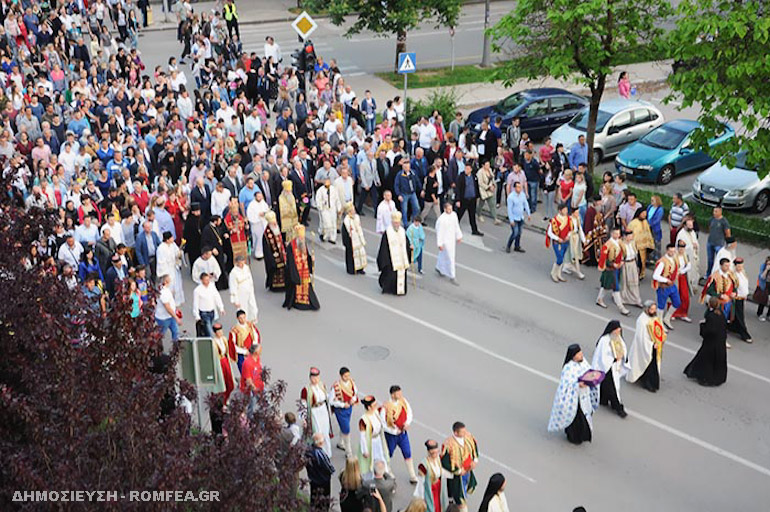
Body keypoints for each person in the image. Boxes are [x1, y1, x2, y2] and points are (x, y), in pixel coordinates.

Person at [547, 344, 599, 444]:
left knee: (584, 417)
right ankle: (573, 436)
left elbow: (589, 371)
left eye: (581, 353)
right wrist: (578, 385)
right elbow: (566, 385)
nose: (581, 355)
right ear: (573, 356)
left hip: (584, 396)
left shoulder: (583, 362)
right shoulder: (568, 368)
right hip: (574, 399)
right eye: (579, 354)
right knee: (575, 419)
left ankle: (582, 435)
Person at [684, 296, 728, 386]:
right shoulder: (722, 314)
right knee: (718, 360)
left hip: (711, 343)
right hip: (720, 342)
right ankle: (718, 378)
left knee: (706, 360)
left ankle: (705, 378)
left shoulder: (710, 316)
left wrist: (702, 326)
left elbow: (709, 330)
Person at [626, 301, 666, 392]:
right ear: (647, 309)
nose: (654, 311)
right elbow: (641, 337)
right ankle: (647, 383)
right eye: (652, 309)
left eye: (654, 309)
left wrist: (660, 339)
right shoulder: (642, 320)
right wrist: (651, 344)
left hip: (654, 345)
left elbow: (658, 328)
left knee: (652, 365)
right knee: (647, 364)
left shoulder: (654, 317)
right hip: (646, 346)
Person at [591, 320, 628, 418]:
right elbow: (603, 356)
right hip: (607, 368)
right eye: (616, 329)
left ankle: (603, 400)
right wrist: (614, 359)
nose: (618, 331)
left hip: (614, 367)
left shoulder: (618, 338)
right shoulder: (604, 340)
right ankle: (618, 407)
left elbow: (623, 348)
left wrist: (622, 356)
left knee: (606, 385)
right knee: (613, 389)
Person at [381, 385, 417, 484]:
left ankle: (412, 475)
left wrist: (407, 423)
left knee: (407, 452)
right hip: (391, 435)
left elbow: (409, 413)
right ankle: (387, 470)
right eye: (398, 393)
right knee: (389, 453)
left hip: (403, 433)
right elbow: (383, 423)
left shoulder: (403, 402)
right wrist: (393, 431)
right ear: (392, 394)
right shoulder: (386, 407)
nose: (400, 395)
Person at [440, 421, 479, 510]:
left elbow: (474, 448)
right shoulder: (448, 444)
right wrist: (458, 471)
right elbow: (445, 462)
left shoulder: (468, 437)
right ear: (456, 433)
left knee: (464, 489)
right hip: (457, 475)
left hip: (467, 471)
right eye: (462, 432)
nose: (465, 433)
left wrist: (475, 460)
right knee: (460, 498)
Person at [283, 225, 320, 310]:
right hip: (296, 271)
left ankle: (307, 302)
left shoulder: (303, 243)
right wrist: (294, 275)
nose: (302, 238)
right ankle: (296, 302)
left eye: (303, 237)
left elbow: (306, 255)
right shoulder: (290, 247)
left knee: (307, 286)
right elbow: (290, 263)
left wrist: (311, 259)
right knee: (296, 288)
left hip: (305, 270)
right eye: (301, 237)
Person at [595, 227, 630, 315]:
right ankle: (621, 307)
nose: (618, 235)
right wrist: (611, 264)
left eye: (618, 233)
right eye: (616, 233)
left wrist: (622, 261)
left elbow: (623, 253)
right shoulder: (607, 245)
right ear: (612, 234)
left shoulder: (619, 242)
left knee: (606, 284)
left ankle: (599, 299)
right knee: (616, 287)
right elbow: (603, 258)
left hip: (618, 267)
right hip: (610, 268)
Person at [377, 211, 412, 295]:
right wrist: (385, 260)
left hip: (401, 258)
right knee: (390, 274)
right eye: (395, 223)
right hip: (391, 258)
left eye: (398, 223)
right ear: (392, 222)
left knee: (400, 274)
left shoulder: (402, 231)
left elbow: (406, 243)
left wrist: (410, 248)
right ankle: (388, 289)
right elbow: (384, 247)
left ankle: (399, 290)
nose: (397, 225)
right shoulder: (388, 233)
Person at [302, 367, 335, 458]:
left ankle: (327, 453)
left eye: (317, 377)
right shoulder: (306, 390)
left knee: (325, 431)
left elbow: (326, 398)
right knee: (317, 432)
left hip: (323, 410)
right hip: (314, 412)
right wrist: (304, 418)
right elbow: (303, 405)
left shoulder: (322, 385)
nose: (315, 379)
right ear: (310, 378)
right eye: (313, 377)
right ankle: (319, 454)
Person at [358, 396, 392, 479]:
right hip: (370, 443)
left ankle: (384, 475)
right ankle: (370, 479)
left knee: (381, 458)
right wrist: (365, 450)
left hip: (378, 441)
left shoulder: (375, 413)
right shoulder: (364, 420)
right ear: (369, 407)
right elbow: (362, 437)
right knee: (370, 462)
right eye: (374, 405)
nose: (376, 406)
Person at [330, 367, 360, 456]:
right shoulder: (336, 387)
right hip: (340, 410)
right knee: (346, 429)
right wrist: (343, 405)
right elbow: (331, 401)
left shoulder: (351, 382)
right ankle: (348, 451)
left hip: (349, 408)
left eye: (348, 375)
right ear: (341, 376)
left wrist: (353, 399)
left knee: (344, 426)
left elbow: (355, 393)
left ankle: (340, 442)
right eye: (345, 376)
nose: (347, 377)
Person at [652, 244, 682, 331]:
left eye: (673, 251)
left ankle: (667, 318)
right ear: (667, 251)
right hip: (663, 287)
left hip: (672, 285)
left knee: (677, 302)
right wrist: (665, 280)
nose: (672, 253)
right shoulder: (662, 262)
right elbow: (655, 276)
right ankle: (659, 322)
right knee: (661, 305)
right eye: (671, 251)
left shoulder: (675, 259)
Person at [414, 440, 448, 512]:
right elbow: (420, 483)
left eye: (436, 452)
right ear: (429, 452)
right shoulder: (423, 465)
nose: (435, 455)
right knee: (431, 506)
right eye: (433, 453)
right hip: (430, 489)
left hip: (439, 487)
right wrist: (421, 497)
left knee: (441, 504)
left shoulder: (438, 458)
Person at [306, 432, 336, 512]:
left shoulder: (309, 451)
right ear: (320, 442)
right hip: (323, 481)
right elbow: (328, 467)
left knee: (314, 498)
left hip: (313, 479)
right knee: (323, 502)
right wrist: (332, 471)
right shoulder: (320, 454)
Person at [435, 202, 463, 285]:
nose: (450, 210)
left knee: (443, 255)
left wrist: (459, 236)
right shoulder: (442, 219)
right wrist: (440, 243)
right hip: (445, 241)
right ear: (445, 209)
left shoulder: (454, 215)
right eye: (448, 209)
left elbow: (456, 226)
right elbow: (439, 231)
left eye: (451, 209)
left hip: (451, 239)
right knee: (451, 258)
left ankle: (439, 267)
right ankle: (452, 276)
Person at [192, 272, 225, 337]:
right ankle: (212, 343)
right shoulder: (197, 290)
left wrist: (221, 308)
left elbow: (217, 297)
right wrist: (197, 315)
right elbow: (196, 303)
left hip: (212, 312)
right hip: (204, 313)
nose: (208, 281)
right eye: (206, 280)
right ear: (202, 280)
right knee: (209, 331)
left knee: (210, 328)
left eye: (208, 279)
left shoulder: (212, 286)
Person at [546, 203, 572, 283]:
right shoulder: (554, 220)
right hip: (557, 243)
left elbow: (571, 230)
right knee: (560, 258)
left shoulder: (568, 219)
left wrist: (568, 235)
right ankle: (553, 273)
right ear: (560, 211)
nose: (566, 211)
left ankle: (558, 273)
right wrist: (557, 238)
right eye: (564, 210)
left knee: (562, 257)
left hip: (565, 242)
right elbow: (550, 233)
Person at [157, 231, 185, 305]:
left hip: (173, 267)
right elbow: (161, 262)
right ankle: (168, 301)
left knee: (176, 284)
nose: (173, 238)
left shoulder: (173, 244)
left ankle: (176, 301)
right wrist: (165, 274)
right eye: (171, 237)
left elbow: (176, 252)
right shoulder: (161, 248)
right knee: (169, 285)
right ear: (167, 240)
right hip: (167, 269)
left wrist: (179, 254)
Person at [454, 164, 483, 236]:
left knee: (472, 216)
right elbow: (458, 189)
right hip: (464, 199)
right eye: (465, 168)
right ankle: (453, 228)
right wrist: (458, 200)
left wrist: (477, 195)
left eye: (468, 169)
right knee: (459, 215)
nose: (466, 170)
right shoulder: (461, 177)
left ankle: (474, 230)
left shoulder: (474, 176)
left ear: (471, 169)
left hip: (472, 199)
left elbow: (476, 186)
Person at [229, 256, 259, 323]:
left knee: (253, 307)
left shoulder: (246, 267)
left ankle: (252, 321)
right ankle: (243, 323)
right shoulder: (233, 273)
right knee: (243, 308)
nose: (242, 264)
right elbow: (233, 286)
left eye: (243, 262)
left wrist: (252, 288)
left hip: (249, 290)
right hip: (241, 293)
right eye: (240, 262)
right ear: (237, 263)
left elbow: (250, 278)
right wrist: (235, 300)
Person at [229, 309, 261, 373]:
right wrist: (244, 351)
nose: (243, 320)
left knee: (255, 370)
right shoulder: (235, 330)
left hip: (252, 351)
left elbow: (255, 336)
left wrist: (253, 348)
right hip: (242, 353)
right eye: (240, 318)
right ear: (237, 318)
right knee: (245, 371)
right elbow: (233, 344)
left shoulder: (250, 325)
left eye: (244, 317)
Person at [262, 211, 287, 292]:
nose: (275, 224)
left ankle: (283, 285)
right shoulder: (266, 234)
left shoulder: (277, 228)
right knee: (275, 270)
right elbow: (267, 250)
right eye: (273, 223)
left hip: (281, 253)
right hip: (273, 256)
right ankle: (275, 286)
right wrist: (271, 260)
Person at [730, 258, 753, 343]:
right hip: (737, 298)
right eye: (738, 266)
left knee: (737, 315)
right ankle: (744, 334)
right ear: (735, 266)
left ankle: (733, 327)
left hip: (742, 297)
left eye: (741, 265)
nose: (740, 267)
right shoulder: (733, 275)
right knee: (740, 316)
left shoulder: (743, 273)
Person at [212, 323, 236, 404]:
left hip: (225, 361)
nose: (221, 333)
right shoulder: (213, 342)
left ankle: (227, 398)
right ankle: (223, 400)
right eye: (219, 332)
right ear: (215, 333)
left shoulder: (224, 339)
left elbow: (229, 348)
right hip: (219, 363)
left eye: (221, 331)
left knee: (230, 381)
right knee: (222, 382)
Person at [705, 207, 731, 281]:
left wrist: (727, 242)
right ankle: (708, 274)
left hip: (719, 244)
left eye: (716, 211)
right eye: (714, 211)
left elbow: (727, 232)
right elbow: (709, 227)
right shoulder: (711, 219)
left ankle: (718, 276)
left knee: (719, 261)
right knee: (710, 260)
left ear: (720, 212)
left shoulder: (724, 221)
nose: (714, 213)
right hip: (710, 242)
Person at [676, 216, 700, 294]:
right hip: (687, 257)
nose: (691, 228)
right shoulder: (681, 234)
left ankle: (694, 286)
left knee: (695, 272)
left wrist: (696, 246)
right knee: (688, 274)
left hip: (694, 255)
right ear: (684, 225)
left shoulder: (692, 232)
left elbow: (695, 242)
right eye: (689, 226)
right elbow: (681, 247)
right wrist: (691, 246)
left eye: (691, 226)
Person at [628, 208, 654, 280]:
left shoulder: (646, 222)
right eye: (642, 214)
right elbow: (628, 233)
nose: (644, 215)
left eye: (645, 214)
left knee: (642, 261)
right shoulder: (633, 223)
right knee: (636, 261)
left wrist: (650, 243)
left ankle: (641, 274)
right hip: (635, 246)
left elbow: (648, 233)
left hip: (644, 246)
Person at [671, 240, 694, 323]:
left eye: (683, 248)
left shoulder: (685, 256)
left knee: (685, 296)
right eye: (680, 248)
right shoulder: (674, 256)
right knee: (675, 294)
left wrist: (682, 271)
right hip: (676, 277)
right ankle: (673, 313)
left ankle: (683, 313)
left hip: (683, 277)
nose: (681, 250)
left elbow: (689, 266)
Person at [619, 230, 643, 307]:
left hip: (633, 264)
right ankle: (624, 298)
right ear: (625, 237)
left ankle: (636, 299)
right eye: (630, 236)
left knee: (634, 282)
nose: (631, 237)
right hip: (625, 264)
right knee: (625, 282)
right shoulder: (621, 245)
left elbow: (636, 255)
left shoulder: (633, 243)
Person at [504, 181, 530, 253]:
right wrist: (511, 220)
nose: (519, 189)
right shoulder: (511, 197)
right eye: (518, 187)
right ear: (515, 188)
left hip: (520, 217)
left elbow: (525, 204)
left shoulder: (522, 195)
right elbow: (509, 209)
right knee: (515, 233)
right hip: (514, 218)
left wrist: (528, 213)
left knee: (519, 233)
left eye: (520, 187)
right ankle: (508, 246)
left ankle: (517, 246)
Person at [155, 274, 182, 342]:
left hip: (170, 316)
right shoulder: (163, 292)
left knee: (175, 332)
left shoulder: (165, 290)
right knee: (160, 335)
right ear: (166, 281)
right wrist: (176, 317)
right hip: (164, 318)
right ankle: (157, 349)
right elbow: (167, 307)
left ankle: (176, 348)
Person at [342, 203, 367, 275]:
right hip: (351, 240)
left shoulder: (357, 217)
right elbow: (346, 232)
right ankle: (351, 269)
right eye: (352, 210)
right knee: (351, 254)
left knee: (360, 253)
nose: (354, 211)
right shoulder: (346, 220)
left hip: (358, 238)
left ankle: (360, 268)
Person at [241, 342, 264, 418]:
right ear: (255, 352)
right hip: (251, 390)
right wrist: (255, 389)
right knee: (251, 409)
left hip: (260, 388)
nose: (261, 350)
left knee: (263, 406)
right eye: (260, 349)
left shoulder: (257, 359)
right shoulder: (247, 363)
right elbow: (248, 380)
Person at [562, 207, 586, 280]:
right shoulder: (569, 219)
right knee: (573, 254)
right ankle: (578, 272)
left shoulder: (577, 219)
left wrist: (583, 239)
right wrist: (567, 237)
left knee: (574, 253)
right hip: (571, 238)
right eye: (577, 212)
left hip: (576, 237)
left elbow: (580, 229)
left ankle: (566, 266)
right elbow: (566, 230)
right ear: (573, 213)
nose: (578, 214)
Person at [318, 178, 342, 244]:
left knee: (333, 223)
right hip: (325, 209)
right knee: (326, 223)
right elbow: (318, 200)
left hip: (332, 208)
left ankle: (332, 238)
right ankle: (324, 235)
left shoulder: (334, 189)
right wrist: (321, 206)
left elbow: (337, 199)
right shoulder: (321, 190)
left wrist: (339, 208)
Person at [246, 191, 269, 259]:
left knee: (262, 239)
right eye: (258, 197)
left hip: (263, 223)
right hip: (256, 224)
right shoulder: (252, 205)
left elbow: (267, 210)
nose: (259, 198)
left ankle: (261, 253)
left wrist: (264, 214)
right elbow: (250, 215)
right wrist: (258, 215)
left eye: (260, 196)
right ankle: (257, 253)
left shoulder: (263, 203)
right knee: (257, 239)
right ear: (255, 197)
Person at [646, 195, 664, 261]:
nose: (651, 202)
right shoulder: (650, 207)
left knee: (657, 243)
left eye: (653, 200)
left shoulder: (660, 210)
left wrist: (650, 224)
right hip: (648, 227)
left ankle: (657, 257)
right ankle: (651, 256)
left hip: (655, 228)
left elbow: (657, 220)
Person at [755, 256, 770, 321]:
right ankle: (759, 313)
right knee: (763, 299)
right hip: (765, 284)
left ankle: (768, 315)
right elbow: (762, 277)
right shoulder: (763, 266)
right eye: (768, 263)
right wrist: (766, 269)